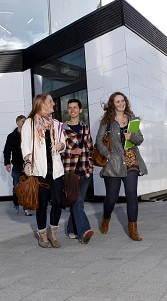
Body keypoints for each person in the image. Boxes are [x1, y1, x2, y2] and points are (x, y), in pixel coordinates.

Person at [95, 91, 147, 241]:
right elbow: (99, 141)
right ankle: (106, 218)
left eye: (122, 101)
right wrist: (108, 155)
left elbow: (140, 139)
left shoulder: (132, 119)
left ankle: (133, 229)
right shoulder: (107, 121)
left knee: (132, 195)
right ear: (112, 104)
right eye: (117, 101)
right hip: (114, 163)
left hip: (131, 160)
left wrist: (132, 136)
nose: (121, 103)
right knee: (112, 197)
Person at [21, 93, 67, 248]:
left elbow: (63, 141)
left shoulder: (56, 123)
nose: (53, 103)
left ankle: (53, 233)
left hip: (55, 169)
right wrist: (27, 162)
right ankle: (42, 235)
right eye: (50, 101)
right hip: (39, 170)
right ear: (41, 104)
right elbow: (25, 145)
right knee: (41, 204)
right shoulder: (30, 123)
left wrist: (61, 146)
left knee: (58, 201)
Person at [61, 98, 95, 244]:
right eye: (70, 108)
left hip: (85, 170)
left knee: (77, 200)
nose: (72, 110)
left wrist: (91, 165)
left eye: (75, 107)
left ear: (80, 110)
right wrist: (70, 150)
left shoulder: (85, 128)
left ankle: (70, 229)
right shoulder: (62, 129)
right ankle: (84, 231)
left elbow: (90, 148)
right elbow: (57, 150)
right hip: (70, 171)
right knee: (77, 200)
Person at [4, 115, 32, 216]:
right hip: (16, 165)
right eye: (23, 122)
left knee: (27, 187)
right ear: (18, 123)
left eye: (25, 122)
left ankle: (27, 208)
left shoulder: (29, 135)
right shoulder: (11, 137)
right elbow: (7, 151)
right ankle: (16, 203)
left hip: (27, 165)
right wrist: (7, 163)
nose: (24, 123)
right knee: (17, 187)